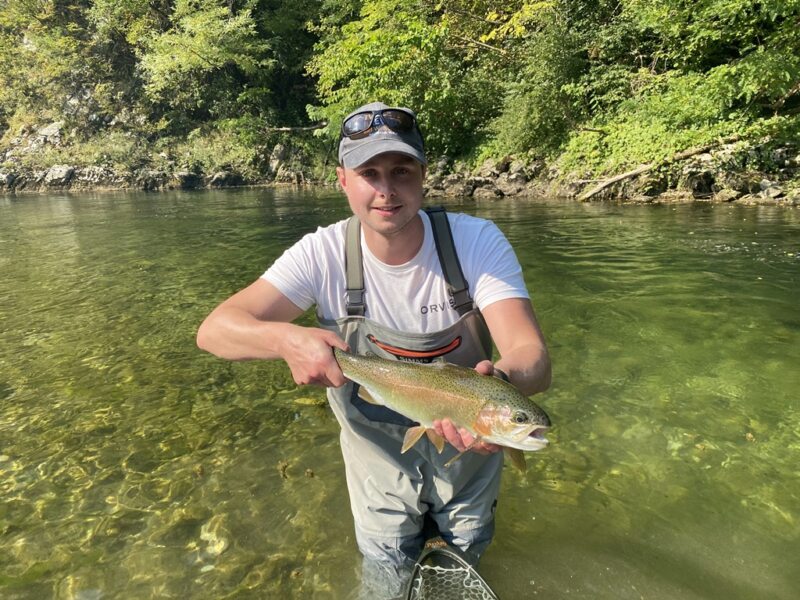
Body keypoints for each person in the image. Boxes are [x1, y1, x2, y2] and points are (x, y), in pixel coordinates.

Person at [196, 101, 551, 596]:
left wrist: (499, 392)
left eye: (402, 171)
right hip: (376, 459)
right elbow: (214, 330)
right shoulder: (320, 254)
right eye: (369, 173)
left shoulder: (475, 242)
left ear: (424, 176)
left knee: (467, 552)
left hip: (471, 453)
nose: (386, 190)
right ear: (343, 180)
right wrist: (286, 339)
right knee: (385, 572)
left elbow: (530, 352)